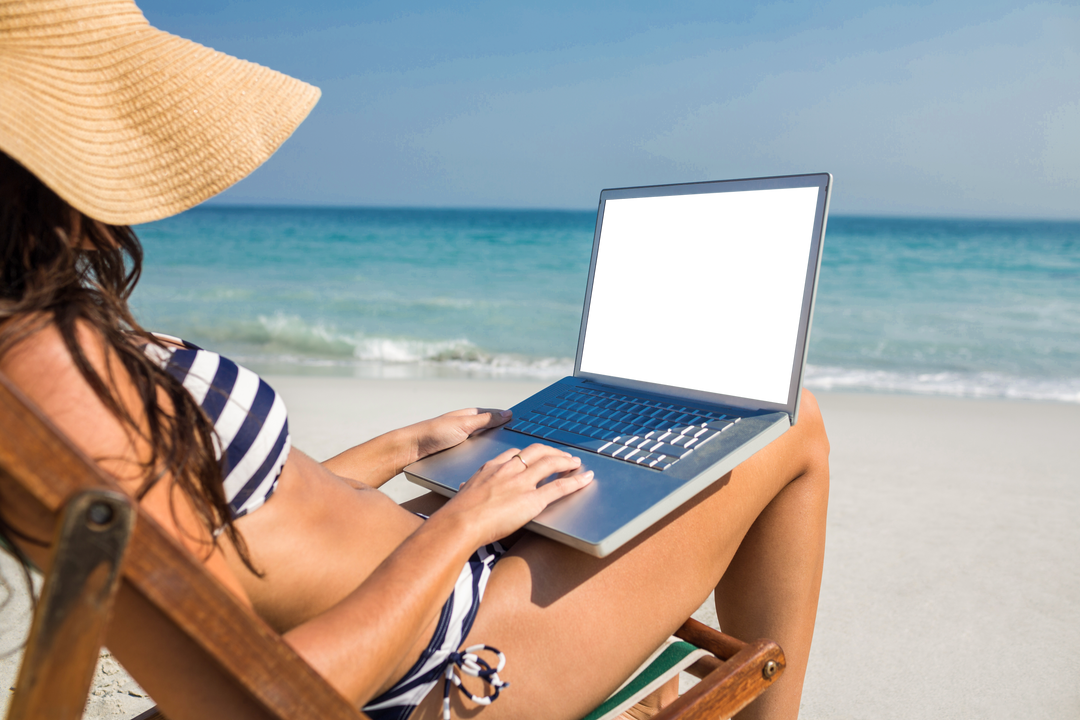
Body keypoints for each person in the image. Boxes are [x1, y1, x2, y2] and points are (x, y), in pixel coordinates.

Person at [0, 1, 830, 719]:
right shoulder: (60, 389)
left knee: (613, 463)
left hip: (439, 578)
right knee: (795, 425)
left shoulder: (35, 350)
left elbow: (243, 529)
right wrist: (464, 524)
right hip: (461, 659)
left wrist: (407, 450)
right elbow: (261, 704)